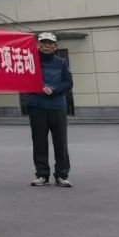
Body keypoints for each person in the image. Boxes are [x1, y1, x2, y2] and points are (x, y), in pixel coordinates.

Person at [21, 32, 73, 187]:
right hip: (36, 106)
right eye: (43, 43)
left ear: (55, 47)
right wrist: (37, 87)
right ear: (38, 45)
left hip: (57, 107)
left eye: (50, 43)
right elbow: (23, 80)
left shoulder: (61, 62)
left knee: (60, 142)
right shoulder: (30, 60)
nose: (46, 46)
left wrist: (54, 90)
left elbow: (68, 83)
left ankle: (61, 175)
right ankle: (42, 175)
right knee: (39, 142)